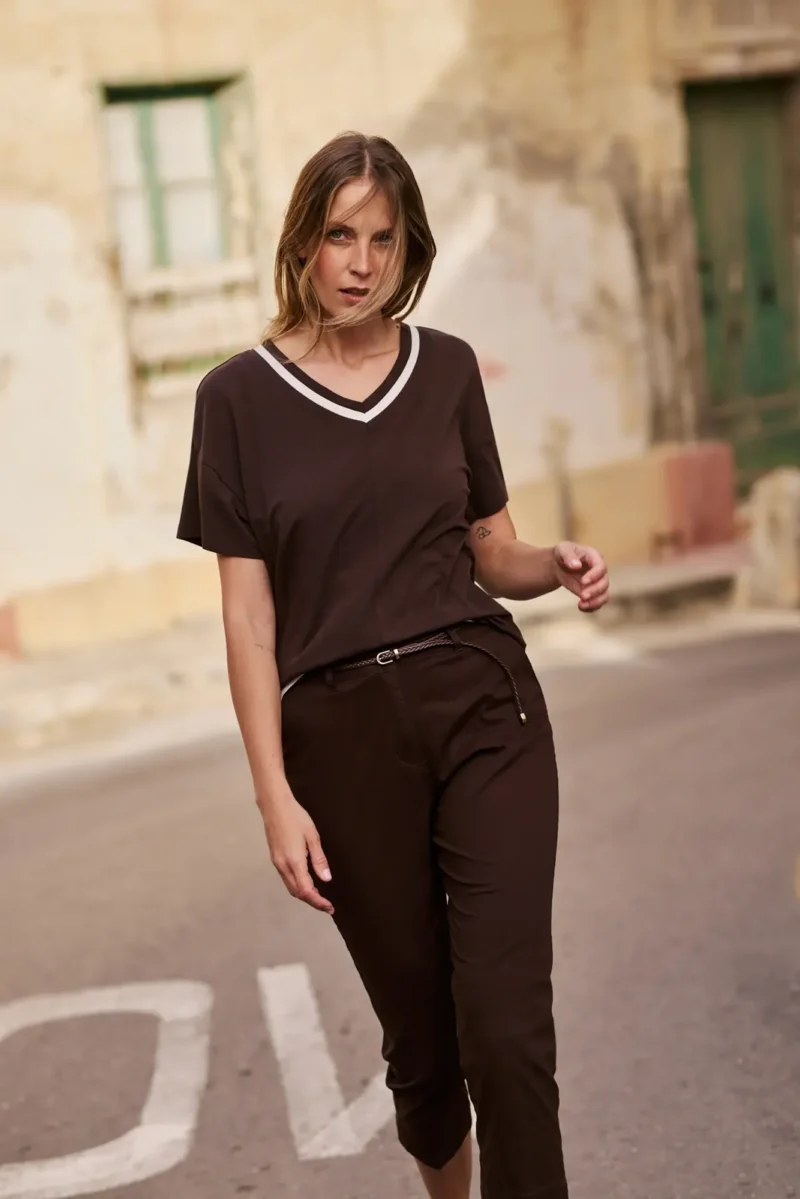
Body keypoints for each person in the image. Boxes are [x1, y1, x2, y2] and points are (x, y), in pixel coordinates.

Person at [177, 131, 609, 1199]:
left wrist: (550, 562)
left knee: (506, 1030)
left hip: (482, 706)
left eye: (383, 239)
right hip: (341, 743)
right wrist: (275, 797)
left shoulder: (446, 368)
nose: (361, 264)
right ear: (303, 242)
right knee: (424, 1052)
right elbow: (247, 619)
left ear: (408, 247)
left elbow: (490, 548)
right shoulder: (234, 400)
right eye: (340, 236)